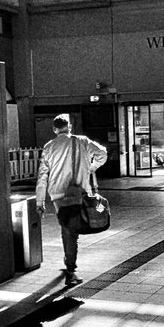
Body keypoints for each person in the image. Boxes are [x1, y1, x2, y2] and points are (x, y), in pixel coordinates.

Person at [35, 114, 107, 287]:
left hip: (57, 195)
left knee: (67, 228)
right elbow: (102, 154)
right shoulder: (82, 141)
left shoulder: (49, 146)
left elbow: (43, 175)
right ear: (70, 127)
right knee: (71, 232)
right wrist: (91, 168)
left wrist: (39, 201)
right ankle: (70, 270)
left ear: (54, 129)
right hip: (77, 193)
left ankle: (69, 262)